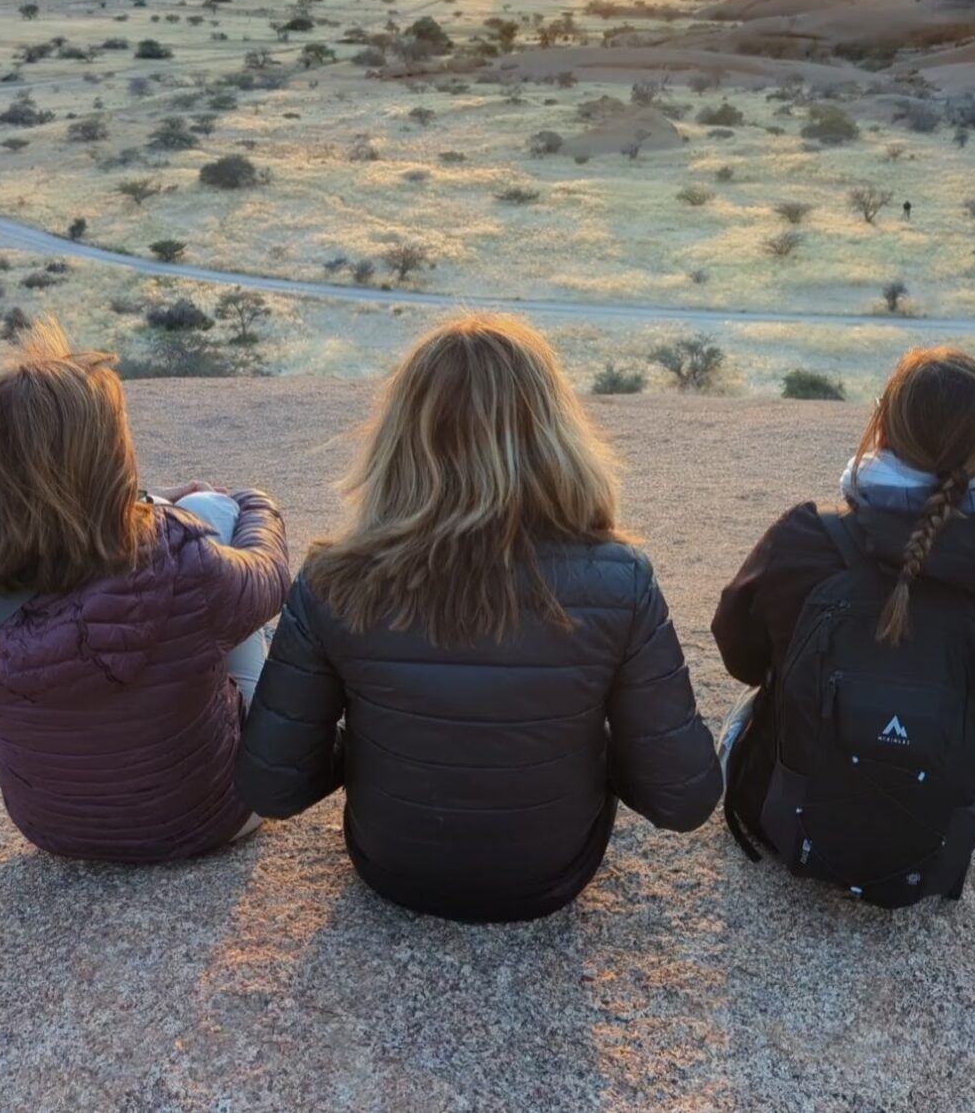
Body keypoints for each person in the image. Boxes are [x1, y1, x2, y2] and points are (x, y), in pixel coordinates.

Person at [236, 314, 721, 920]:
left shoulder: (334, 580)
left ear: (400, 438)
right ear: (554, 432)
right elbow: (685, 799)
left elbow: (271, 786)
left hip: (391, 869)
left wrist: (372, 743)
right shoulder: (620, 579)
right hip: (551, 876)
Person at [0, 318, 290, 864]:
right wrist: (254, 502)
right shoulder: (179, 560)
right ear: (108, 460)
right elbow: (270, 578)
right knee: (216, 528)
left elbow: (54, 542)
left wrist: (157, 501)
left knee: (200, 556)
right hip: (209, 816)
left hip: (51, 829)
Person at [712, 345, 975, 905]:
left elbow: (739, 656)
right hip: (935, 844)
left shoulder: (805, 536)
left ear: (883, 424)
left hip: (778, 820)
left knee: (751, 705)